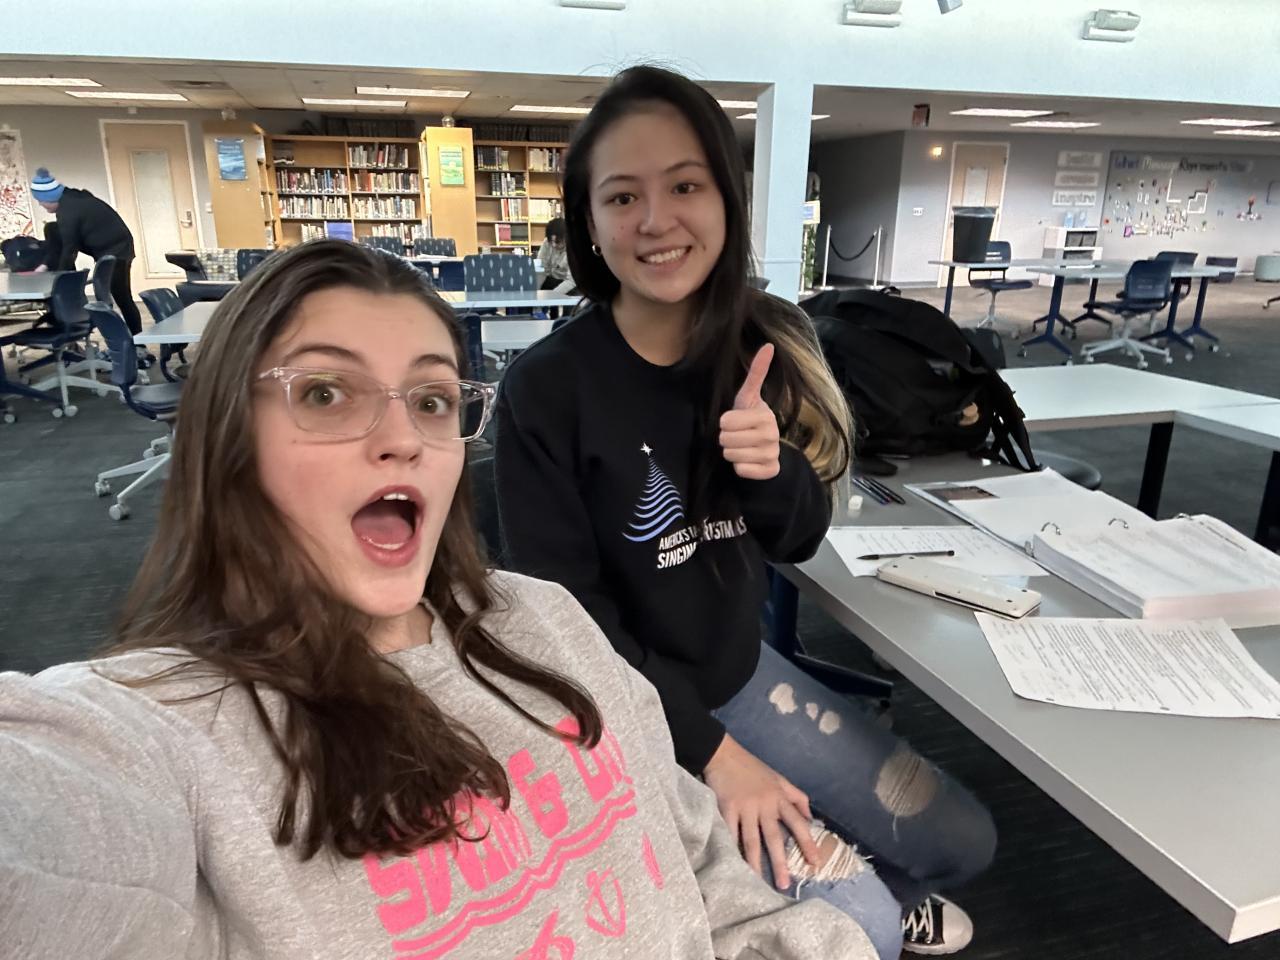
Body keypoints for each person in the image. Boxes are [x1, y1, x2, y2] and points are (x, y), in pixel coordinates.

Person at [0, 239, 877, 960]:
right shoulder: (172, 734)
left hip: (725, 689)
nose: (402, 439)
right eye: (324, 393)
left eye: (430, 399)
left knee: (884, 903)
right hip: (706, 704)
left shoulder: (542, 620)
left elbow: (697, 872)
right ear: (228, 434)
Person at [495, 65, 997, 958]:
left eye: (685, 186)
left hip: (739, 675)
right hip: (636, 715)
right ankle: (859, 891)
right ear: (589, 223)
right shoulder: (548, 389)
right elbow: (566, 627)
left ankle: (851, 873)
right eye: (623, 196)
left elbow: (799, 535)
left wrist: (770, 466)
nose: (656, 220)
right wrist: (719, 760)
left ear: (725, 200)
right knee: (867, 934)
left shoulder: (752, 345)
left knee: (964, 842)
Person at [30, 166, 145, 338]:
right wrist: (47, 265)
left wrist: (60, 280)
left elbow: (70, 248)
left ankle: (138, 342)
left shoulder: (68, 211)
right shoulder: (70, 198)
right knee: (52, 229)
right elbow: (65, 242)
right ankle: (52, 270)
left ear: (50, 197)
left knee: (122, 297)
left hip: (118, 249)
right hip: (107, 244)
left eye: (41, 201)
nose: (40, 205)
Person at [536, 217, 572, 291]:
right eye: (551, 241)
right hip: (551, 278)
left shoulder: (574, 248)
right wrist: (535, 291)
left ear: (566, 237)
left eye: (557, 242)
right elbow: (539, 269)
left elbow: (572, 281)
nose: (553, 245)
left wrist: (553, 294)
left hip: (567, 282)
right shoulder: (546, 242)